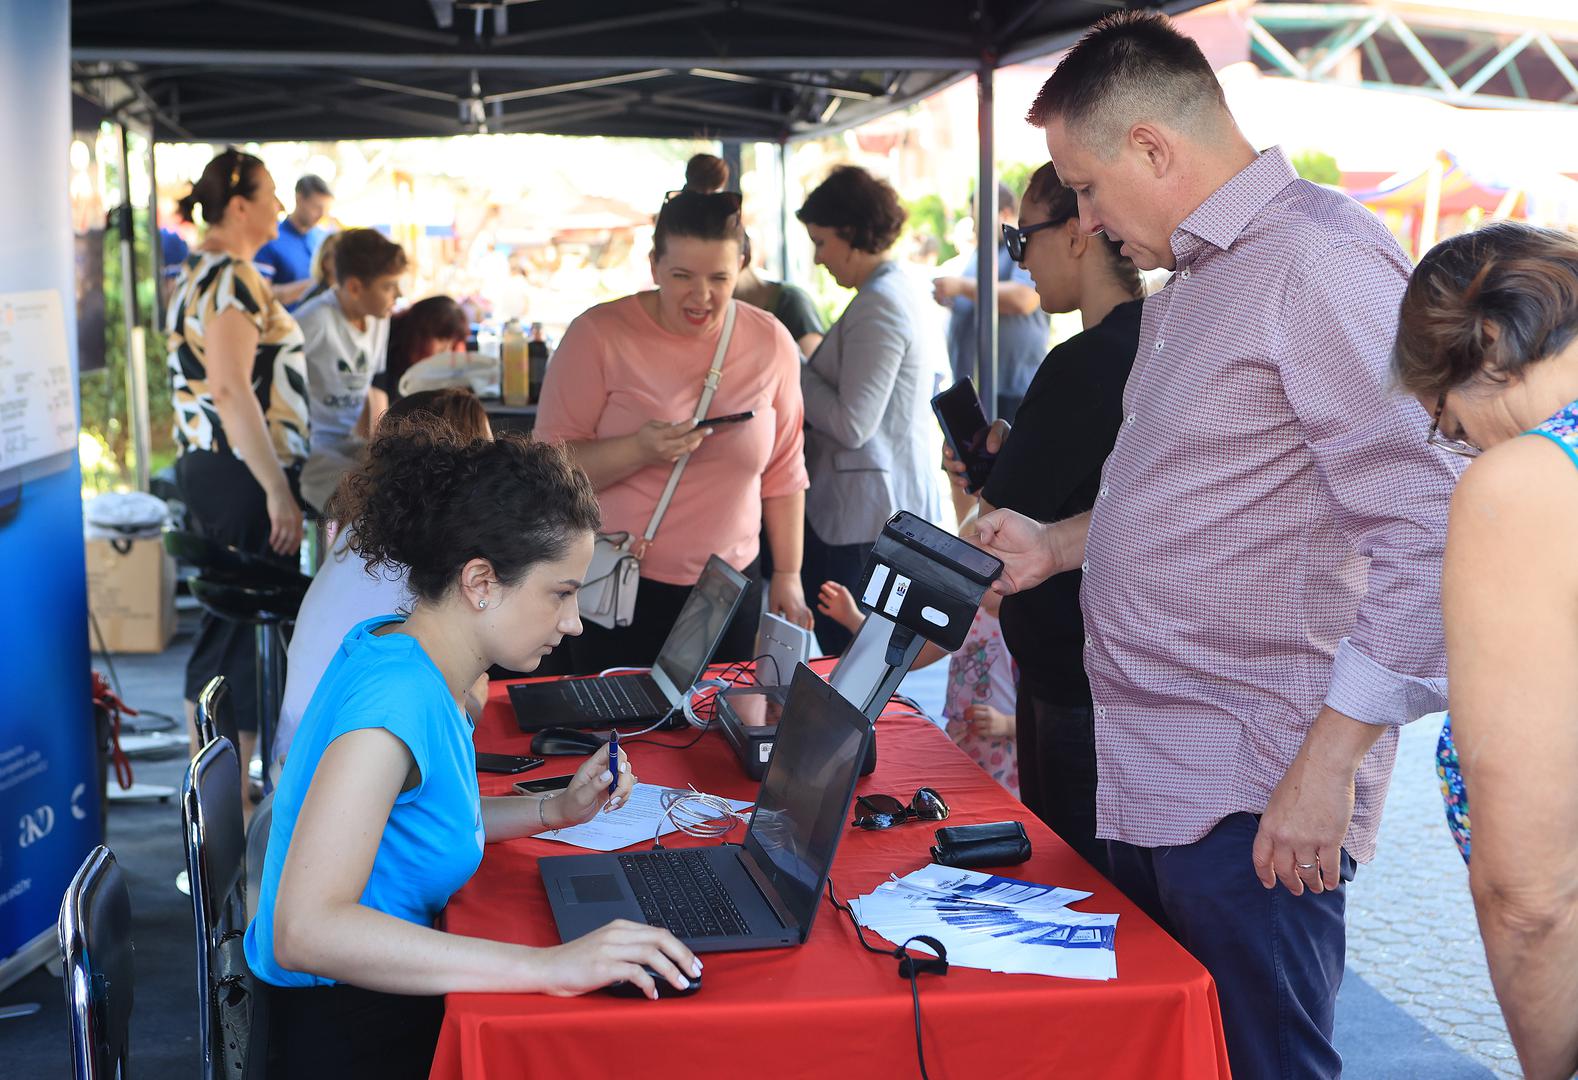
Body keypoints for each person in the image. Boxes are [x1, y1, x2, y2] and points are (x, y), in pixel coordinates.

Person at [972, 13, 1458, 1077]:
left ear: (1153, 148)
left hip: (1257, 786)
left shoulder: (1318, 261)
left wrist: (1326, 768)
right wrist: (1057, 545)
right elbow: (1196, 490)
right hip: (1160, 773)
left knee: (1261, 1061)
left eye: (1087, 188)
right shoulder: (1199, 278)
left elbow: (1429, 532)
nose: (1087, 222)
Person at [245, 426, 700, 1079]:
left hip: (366, 1003)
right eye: (561, 592)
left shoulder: (407, 652)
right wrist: (548, 966)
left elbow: (421, 818)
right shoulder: (395, 705)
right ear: (481, 581)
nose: (573, 622)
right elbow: (305, 931)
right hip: (347, 1030)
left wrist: (554, 809)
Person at [1389, 222, 1578, 1080]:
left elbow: (1531, 894)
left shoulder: (1532, 484)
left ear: (1489, 344)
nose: (1460, 443)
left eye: (1446, 420)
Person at [941, 161, 1143, 875]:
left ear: (1079, 233)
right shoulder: (1155, 343)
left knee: (1075, 883)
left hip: (1072, 678)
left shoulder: (1083, 363)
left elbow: (995, 525)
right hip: (1116, 674)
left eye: (1020, 237)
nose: (1018, 258)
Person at [535, 190, 812, 674]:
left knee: (717, 715)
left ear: (741, 267)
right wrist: (638, 449)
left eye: (719, 278)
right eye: (682, 276)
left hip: (728, 587)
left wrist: (788, 573)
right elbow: (547, 472)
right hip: (616, 582)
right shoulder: (597, 334)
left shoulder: (770, 341)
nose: (701, 296)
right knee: (617, 717)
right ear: (654, 266)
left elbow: (785, 470)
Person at [166, 147, 310, 779]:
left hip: (218, 468)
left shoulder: (199, 270)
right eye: (270, 191)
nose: (279, 204)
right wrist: (277, 488)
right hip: (242, 471)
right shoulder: (233, 277)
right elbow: (229, 389)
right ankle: (224, 801)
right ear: (240, 205)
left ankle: (220, 795)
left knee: (227, 634)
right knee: (234, 640)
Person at [275, 389, 491, 770]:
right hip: (330, 774)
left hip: (300, 761)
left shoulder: (364, 528)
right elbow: (466, 702)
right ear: (464, 466)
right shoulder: (425, 554)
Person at [796, 165, 945, 654]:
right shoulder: (897, 288)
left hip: (864, 519)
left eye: (821, 242)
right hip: (874, 512)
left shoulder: (880, 302)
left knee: (852, 665)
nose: (818, 258)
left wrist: (793, 367)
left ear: (851, 233)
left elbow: (852, 423)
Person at [818, 566, 1018, 798]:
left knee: (1000, 803)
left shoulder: (1019, 631)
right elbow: (909, 660)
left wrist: (1006, 724)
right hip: (964, 739)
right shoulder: (968, 621)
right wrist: (852, 618)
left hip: (1006, 749)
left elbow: (1038, 706)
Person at [296, 228, 407, 514]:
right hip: (311, 450)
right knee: (369, 501)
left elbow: (375, 385)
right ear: (355, 287)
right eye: (388, 286)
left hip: (350, 443)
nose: (399, 294)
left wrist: (380, 444)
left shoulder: (379, 318)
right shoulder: (313, 320)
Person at [682, 153, 824, 356]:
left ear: (742, 257)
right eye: (684, 275)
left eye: (718, 275)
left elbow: (815, 369)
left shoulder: (789, 303)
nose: (703, 290)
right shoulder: (700, 311)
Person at [932, 181, 1050, 425]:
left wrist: (961, 287)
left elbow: (1023, 299)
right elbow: (974, 295)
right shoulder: (984, 251)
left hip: (1009, 389)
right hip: (975, 388)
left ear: (1004, 213)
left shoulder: (1019, 248)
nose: (975, 227)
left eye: (979, 219)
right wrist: (953, 297)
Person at [369, 295, 470, 425]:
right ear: (418, 333)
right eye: (441, 339)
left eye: (451, 343)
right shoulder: (381, 359)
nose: (446, 350)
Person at [254, 173, 333, 310]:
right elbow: (260, 294)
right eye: (317, 207)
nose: (321, 215)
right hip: (286, 320)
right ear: (299, 199)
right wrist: (317, 284)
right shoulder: (271, 237)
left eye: (326, 210)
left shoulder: (322, 237)